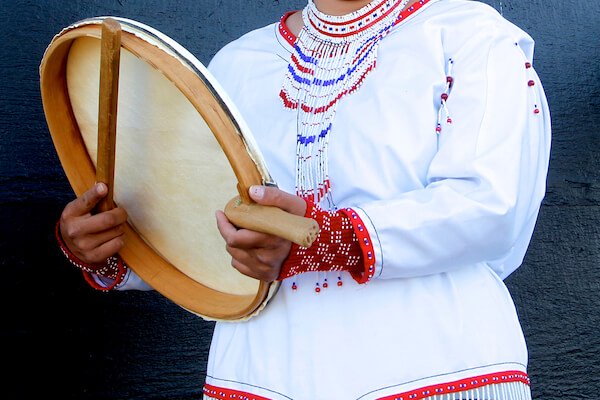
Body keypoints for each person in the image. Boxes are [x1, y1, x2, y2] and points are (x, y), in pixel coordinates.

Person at [56, 0, 551, 398]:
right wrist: (108, 247)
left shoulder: (469, 35)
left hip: (437, 369)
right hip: (261, 374)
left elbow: (491, 205)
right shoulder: (236, 64)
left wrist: (329, 240)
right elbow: (201, 232)